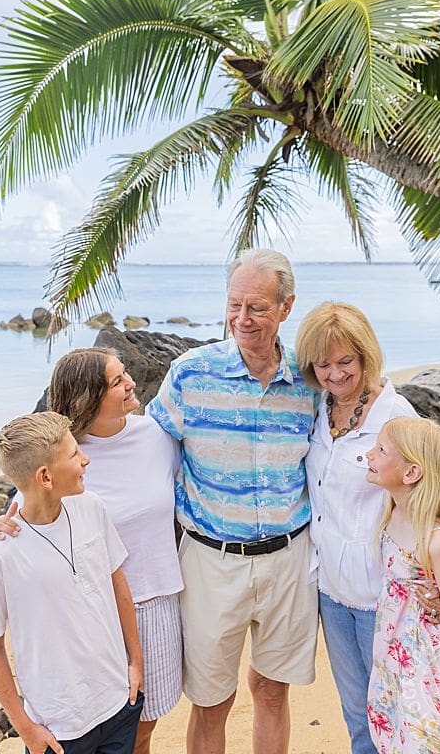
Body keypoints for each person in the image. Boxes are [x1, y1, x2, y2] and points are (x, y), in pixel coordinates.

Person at [147, 248, 318, 754]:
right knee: (211, 701)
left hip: (290, 559)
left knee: (272, 690)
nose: (242, 319)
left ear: (286, 307)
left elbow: (361, 429)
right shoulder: (189, 373)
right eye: (234, 305)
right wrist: (28, 500)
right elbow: (137, 452)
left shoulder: (311, 380)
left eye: (257, 308)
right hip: (210, 561)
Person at [0, 348, 182, 754]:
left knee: (142, 730)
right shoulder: (60, 454)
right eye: (117, 381)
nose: (131, 383)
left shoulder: (157, 436)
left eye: (126, 373)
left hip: (156, 599)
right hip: (91, 615)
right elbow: (24, 522)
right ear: (88, 398)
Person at [0, 411, 145, 754]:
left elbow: (117, 581)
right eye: (73, 454)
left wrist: (136, 663)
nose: (85, 459)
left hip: (118, 703)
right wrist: (25, 728)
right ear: (45, 477)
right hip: (59, 727)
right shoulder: (0, 556)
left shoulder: (91, 507)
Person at [295, 303, 417, 754]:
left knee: (394, 714)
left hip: (382, 595)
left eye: (345, 361)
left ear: (366, 355)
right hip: (330, 591)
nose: (335, 375)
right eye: (322, 364)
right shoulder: (316, 409)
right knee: (357, 715)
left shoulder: (396, 417)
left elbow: (430, 502)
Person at [365, 417, 440, 752]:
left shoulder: (436, 541)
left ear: (411, 473)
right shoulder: (391, 515)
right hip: (390, 669)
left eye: (381, 449)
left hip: (428, 677)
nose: (369, 454)